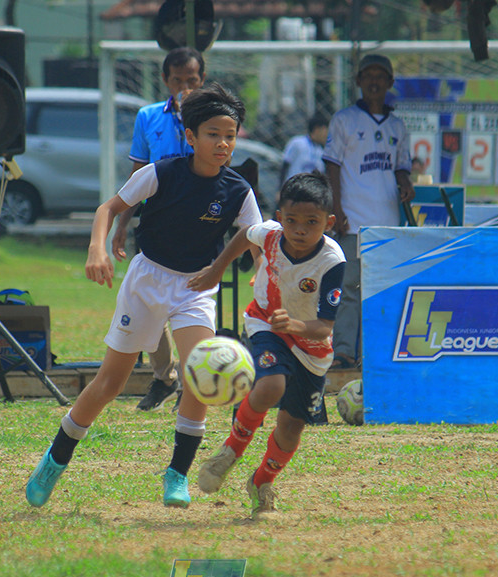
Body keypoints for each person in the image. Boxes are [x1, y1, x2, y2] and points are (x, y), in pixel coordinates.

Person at [25, 83, 263, 510]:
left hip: (194, 288)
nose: (222, 143)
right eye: (212, 134)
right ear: (190, 136)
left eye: (230, 135)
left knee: (198, 372)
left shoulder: (238, 190)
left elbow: (255, 235)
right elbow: (108, 208)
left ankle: (177, 474)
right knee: (109, 383)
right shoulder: (161, 172)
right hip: (147, 279)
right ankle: (55, 460)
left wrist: (256, 270)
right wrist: (97, 248)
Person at [188, 172, 345, 519]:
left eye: (311, 222)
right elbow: (246, 234)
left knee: (290, 429)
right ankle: (230, 451)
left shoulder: (332, 261)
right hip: (266, 321)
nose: (299, 230)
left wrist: (296, 325)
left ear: (329, 223)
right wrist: (217, 269)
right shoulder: (271, 234)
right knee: (271, 385)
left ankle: (261, 482)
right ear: (280, 217)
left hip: (312, 346)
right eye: (292, 220)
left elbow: (325, 327)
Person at [111, 47, 206, 412]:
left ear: (202, 80)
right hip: (156, 223)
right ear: (166, 80)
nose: (185, 87)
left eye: (192, 80)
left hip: (198, 225)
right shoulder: (148, 116)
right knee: (150, 303)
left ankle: (191, 382)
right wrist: (123, 222)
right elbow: (137, 174)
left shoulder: (211, 118)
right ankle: (164, 376)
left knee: (190, 303)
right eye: (178, 80)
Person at [323, 53, 414, 369]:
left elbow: (401, 167)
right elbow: (332, 166)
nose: (374, 82)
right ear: (359, 81)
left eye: (380, 76)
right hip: (353, 218)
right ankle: (344, 352)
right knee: (348, 288)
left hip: (386, 221)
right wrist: (336, 208)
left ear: (390, 83)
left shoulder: (398, 126)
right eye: (368, 76)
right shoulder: (344, 120)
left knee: (379, 289)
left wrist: (405, 182)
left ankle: (373, 353)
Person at [280, 114, 328, 184]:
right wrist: (280, 187)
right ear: (317, 130)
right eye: (325, 131)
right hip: (293, 186)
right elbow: (285, 165)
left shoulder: (320, 151)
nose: (326, 135)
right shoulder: (297, 143)